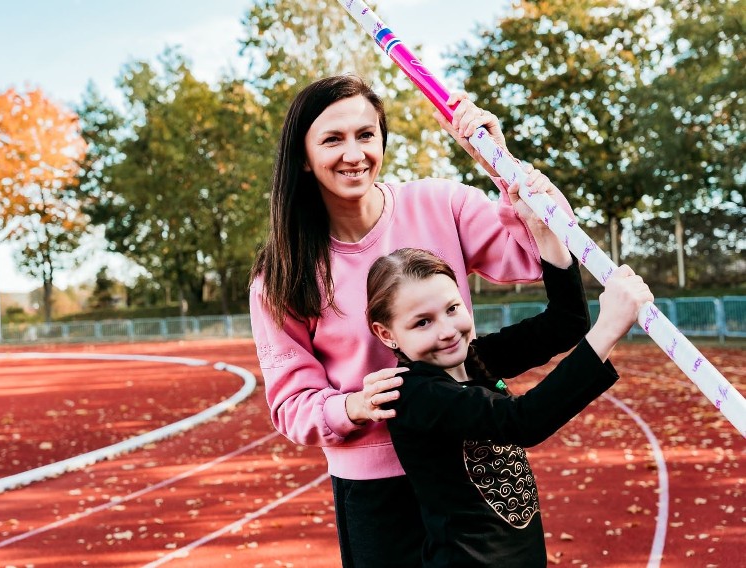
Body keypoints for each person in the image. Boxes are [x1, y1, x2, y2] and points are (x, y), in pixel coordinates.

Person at [249, 74, 578, 566]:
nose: (354, 153)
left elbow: (535, 256)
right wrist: (352, 406)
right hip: (376, 490)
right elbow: (290, 405)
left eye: (366, 134)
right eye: (332, 139)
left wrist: (500, 168)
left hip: (467, 464)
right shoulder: (280, 275)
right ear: (302, 156)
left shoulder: (442, 202)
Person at [365, 245, 653, 565]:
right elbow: (522, 421)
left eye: (452, 308)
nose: (447, 331)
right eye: (422, 323)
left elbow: (566, 322)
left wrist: (546, 236)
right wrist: (609, 327)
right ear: (386, 333)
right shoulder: (412, 393)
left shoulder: (474, 358)